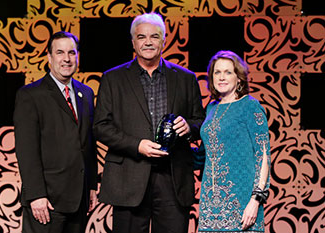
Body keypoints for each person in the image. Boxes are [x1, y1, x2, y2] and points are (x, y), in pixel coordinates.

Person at [93, 12, 205, 233]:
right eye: (141, 37)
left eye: (154, 36)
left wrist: (189, 128)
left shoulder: (186, 78)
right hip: (129, 177)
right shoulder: (112, 79)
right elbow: (100, 127)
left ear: (164, 41)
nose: (148, 42)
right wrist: (137, 145)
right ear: (133, 41)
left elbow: (200, 122)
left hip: (173, 178)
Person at [14, 31, 98, 233]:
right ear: (49, 58)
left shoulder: (86, 93)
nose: (66, 59)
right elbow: (27, 151)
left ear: (77, 57)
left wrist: (92, 185)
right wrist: (36, 195)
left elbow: (88, 143)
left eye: (71, 53)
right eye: (60, 53)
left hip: (79, 198)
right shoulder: (30, 95)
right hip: (47, 200)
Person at [197, 50, 271, 232]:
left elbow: (263, 156)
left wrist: (256, 200)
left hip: (242, 201)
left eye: (228, 72)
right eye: (217, 72)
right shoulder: (211, 108)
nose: (222, 77)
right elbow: (204, 154)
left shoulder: (250, 106)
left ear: (239, 78)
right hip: (210, 204)